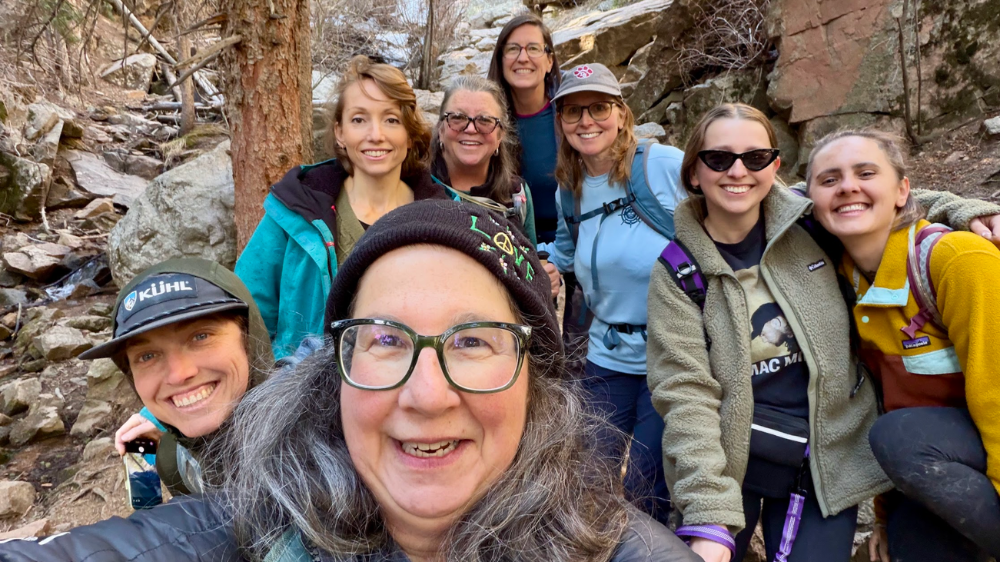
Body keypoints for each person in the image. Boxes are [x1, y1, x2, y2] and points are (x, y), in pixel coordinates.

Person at [0, 201, 702, 562]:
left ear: (536, 379)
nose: (427, 395)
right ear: (334, 373)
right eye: (386, 339)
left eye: (474, 341)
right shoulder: (259, 519)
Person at [646, 103, 1000, 562]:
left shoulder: (807, 225)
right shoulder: (678, 271)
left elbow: (872, 195)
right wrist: (709, 513)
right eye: (718, 159)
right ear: (693, 172)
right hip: (732, 457)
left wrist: (965, 209)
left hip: (823, 463)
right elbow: (684, 391)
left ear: (774, 167)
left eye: (755, 158)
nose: (738, 171)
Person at [805, 129, 1000, 562]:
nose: (848, 187)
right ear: (812, 203)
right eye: (830, 179)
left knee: (898, 437)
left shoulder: (958, 260)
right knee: (908, 538)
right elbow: (891, 399)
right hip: (949, 453)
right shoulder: (843, 281)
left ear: (902, 191)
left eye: (866, 172)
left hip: (985, 445)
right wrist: (882, 515)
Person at [235, 55, 454, 360]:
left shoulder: (447, 218)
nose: (375, 134)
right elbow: (244, 314)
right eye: (358, 119)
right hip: (308, 395)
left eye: (391, 119)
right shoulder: (295, 212)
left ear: (409, 133)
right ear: (340, 132)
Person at [540, 62, 684, 525]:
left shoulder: (659, 166)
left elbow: (733, 198)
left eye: (599, 107)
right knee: (589, 476)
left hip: (670, 353)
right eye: (573, 111)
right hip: (606, 354)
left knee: (646, 488)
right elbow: (567, 247)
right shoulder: (571, 185)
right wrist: (547, 267)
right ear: (560, 123)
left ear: (622, 113)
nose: (587, 121)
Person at [78, 258, 274, 496]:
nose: (179, 375)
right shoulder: (170, 454)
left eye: (201, 337)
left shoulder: (313, 441)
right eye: (147, 355)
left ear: (249, 338)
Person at [430, 75, 537, 243]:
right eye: (457, 117)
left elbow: (529, 266)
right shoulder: (414, 188)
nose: (471, 129)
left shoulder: (517, 195)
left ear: (500, 134)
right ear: (440, 129)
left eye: (485, 120)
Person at [487, 13, 560, 244]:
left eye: (533, 48)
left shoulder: (572, 111)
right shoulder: (485, 120)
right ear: (500, 59)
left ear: (549, 61)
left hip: (574, 243)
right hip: (511, 245)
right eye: (513, 49)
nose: (523, 57)